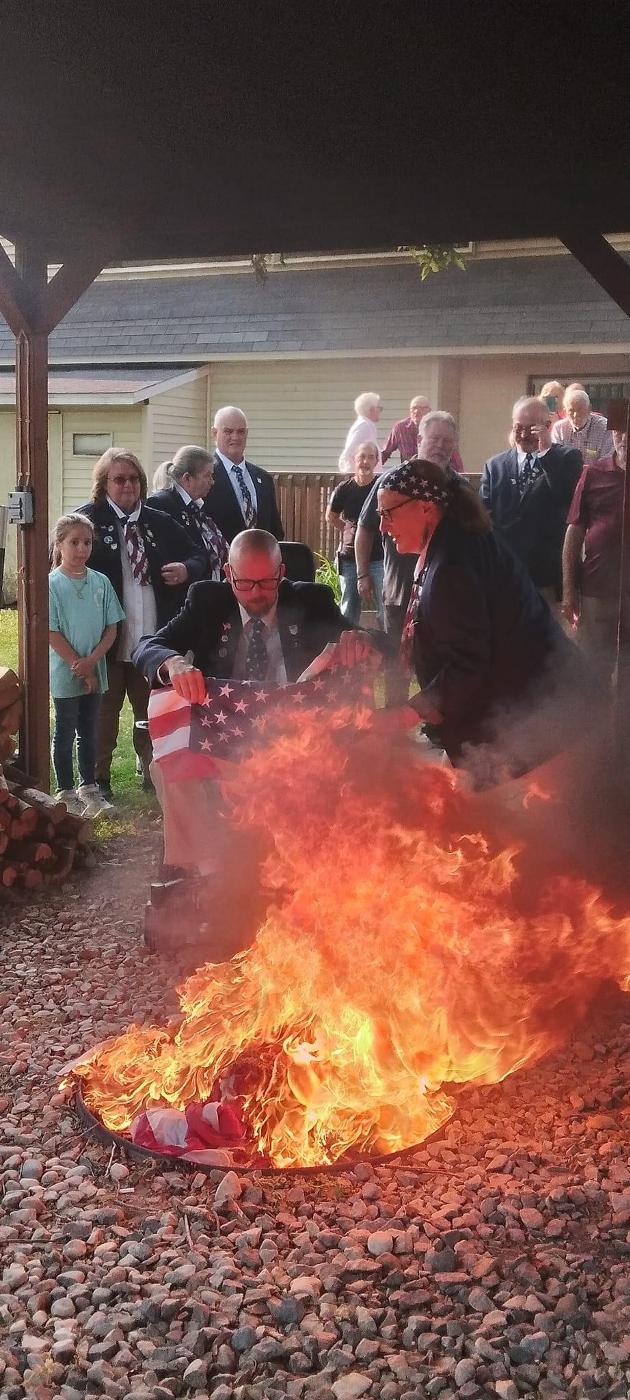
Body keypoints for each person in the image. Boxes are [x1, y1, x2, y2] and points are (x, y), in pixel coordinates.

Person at [133, 529, 378, 872]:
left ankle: (324, 868)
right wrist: (172, 663)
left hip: (296, 736)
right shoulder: (206, 600)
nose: (257, 594)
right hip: (224, 735)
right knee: (168, 763)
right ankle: (200, 872)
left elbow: (370, 641)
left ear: (281, 573)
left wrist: (360, 641)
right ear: (228, 574)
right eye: (245, 583)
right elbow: (147, 646)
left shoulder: (311, 601)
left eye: (266, 583)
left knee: (359, 756)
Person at [368, 460, 582, 782]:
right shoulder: (454, 543)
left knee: (489, 825)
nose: (382, 527)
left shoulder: (452, 565)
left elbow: (467, 665)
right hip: (531, 718)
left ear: (425, 507)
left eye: (388, 513)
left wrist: (404, 714)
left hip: (539, 727)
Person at [78, 448, 206, 799]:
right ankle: (97, 779)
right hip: (105, 638)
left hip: (150, 635)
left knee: (150, 709)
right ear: (104, 483)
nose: (127, 486)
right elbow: (58, 561)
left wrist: (186, 569)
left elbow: (200, 555)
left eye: (134, 479)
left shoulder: (158, 521)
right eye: (119, 479)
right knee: (103, 712)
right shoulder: (86, 522)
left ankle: (154, 772)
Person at [355, 411, 461, 702]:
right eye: (434, 439)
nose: (440, 446)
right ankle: (393, 725)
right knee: (395, 665)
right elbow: (365, 530)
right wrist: (363, 573)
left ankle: (438, 730)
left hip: (443, 597)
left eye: (447, 441)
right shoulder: (393, 480)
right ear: (419, 440)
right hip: (399, 592)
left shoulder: (459, 489)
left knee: (439, 665)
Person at [49, 513, 124, 817]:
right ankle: (66, 791)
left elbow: (112, 627)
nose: (81, 549)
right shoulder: (52, 584)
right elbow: (51, 631)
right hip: (65, 671)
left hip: (96, 668)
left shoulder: (100, 582)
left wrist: (92, 662)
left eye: (87, 542)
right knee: (65, 729)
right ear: (60, 544)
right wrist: (77, 665)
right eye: (74, 542)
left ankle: (89, 788)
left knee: (89, 730)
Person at [480, 396, 583, 605]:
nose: (525, 435)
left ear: (547, 426)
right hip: (505, 576)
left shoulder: (567, 458)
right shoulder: (495, 466)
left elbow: (566, 497)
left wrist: (545, 452)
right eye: (519, 428)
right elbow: (484, 516)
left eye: (532, 429)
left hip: (547, 577)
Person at [562, 430, 627, 678]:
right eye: (620, 432)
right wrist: (569, 591)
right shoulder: (593, 473)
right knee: (593, 673)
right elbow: (574, 532)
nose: (625, 439)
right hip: (598, 594)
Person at [147, 444, 228, 580]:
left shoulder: (198, 508)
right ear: (187, 478)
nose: (212, 482)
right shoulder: (162, 504)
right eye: (207, 476)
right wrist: (189, 568)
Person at [204, 405, 284, 542]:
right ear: (214, 433)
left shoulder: (263, 478)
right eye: (228, 431)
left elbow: (275, 530)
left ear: (247, 433)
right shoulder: (204, 476)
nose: (235, 437)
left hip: (261, 560)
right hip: (221, 560)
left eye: (240, 432)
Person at [326, 441, 383, 625]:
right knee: (349, 609)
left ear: (376, 461)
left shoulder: (381, 488)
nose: (365, 461)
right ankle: (347, 648)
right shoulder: (344, 489)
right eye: (362, 457)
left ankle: (388, 647)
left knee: (385, 607)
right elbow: (331, 516)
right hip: (349, 558)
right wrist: (349, 530)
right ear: (354, 460)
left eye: (370, 457)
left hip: (379, 557)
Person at [381, 396, 465, 471]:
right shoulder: (400, 428)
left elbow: (454, 456)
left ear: (429, 411)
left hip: (438, 472)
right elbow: (385, 452)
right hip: (409, 475)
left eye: (421, 408)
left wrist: (461, 476)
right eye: (414, 408)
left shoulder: (438, 428)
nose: (417, 411)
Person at [552, 387, 614, 462]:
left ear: (589, 409)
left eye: (580, 409)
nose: (576, 415)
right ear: (565, 412)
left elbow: (606, 461)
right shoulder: (559, 429)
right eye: (571, 410)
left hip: (596, 473)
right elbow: (556, 459)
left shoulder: (605, 427)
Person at [338, 392, 382, 474]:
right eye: (378, 408)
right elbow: (348, 454)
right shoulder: (364, 426)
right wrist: (354, 479)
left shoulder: (367, 425)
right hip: (363, 480)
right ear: (371, 409)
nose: (380, 411)